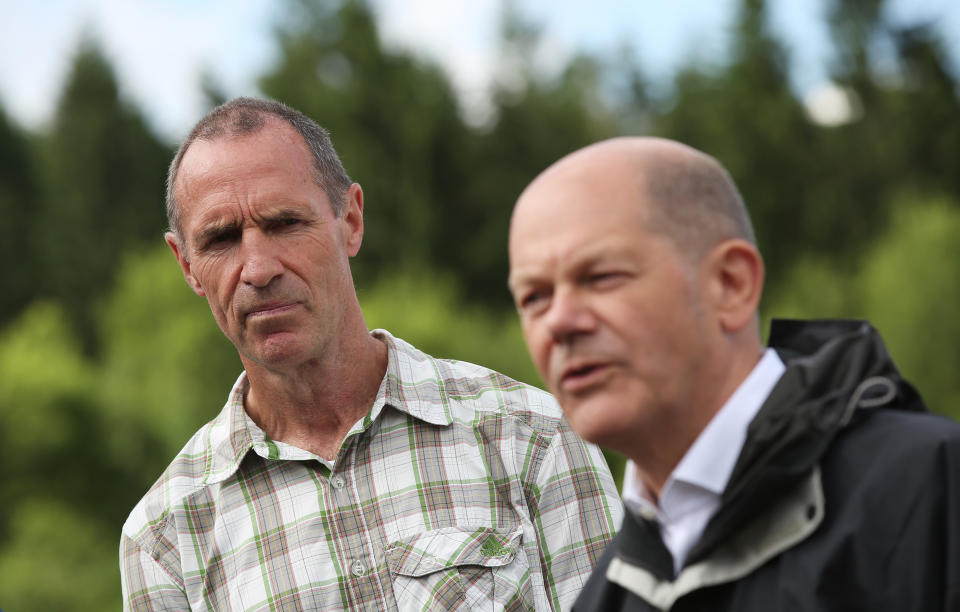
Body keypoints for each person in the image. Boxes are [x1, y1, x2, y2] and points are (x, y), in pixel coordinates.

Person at [120, 97, 623, 611]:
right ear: (186, 264)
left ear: (351, 220)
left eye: (285, 223)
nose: (258, 269)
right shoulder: (166, 537)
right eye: (221, 239)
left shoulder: (531, 436)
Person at [507, 137, 960, 611]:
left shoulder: (931, 491)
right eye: (533, 297)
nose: (558, 322)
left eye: (600, 277)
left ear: (730, 284)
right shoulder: (607, 595)